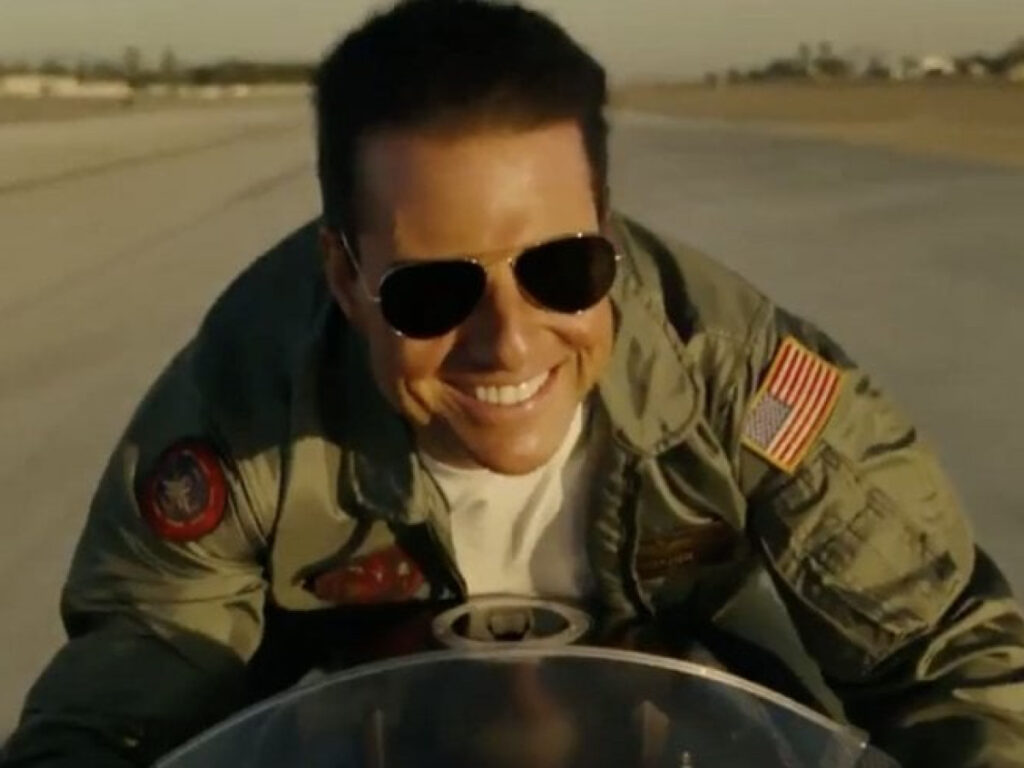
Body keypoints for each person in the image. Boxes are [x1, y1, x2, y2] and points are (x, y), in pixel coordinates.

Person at [4, 1, 1024, 766]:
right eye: (432, 290)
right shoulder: (244, 408)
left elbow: (946, 653)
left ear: (608, 233)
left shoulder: (740, 381)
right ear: (344, 277)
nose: (507, 342)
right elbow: (125, 694)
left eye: (562, 269)